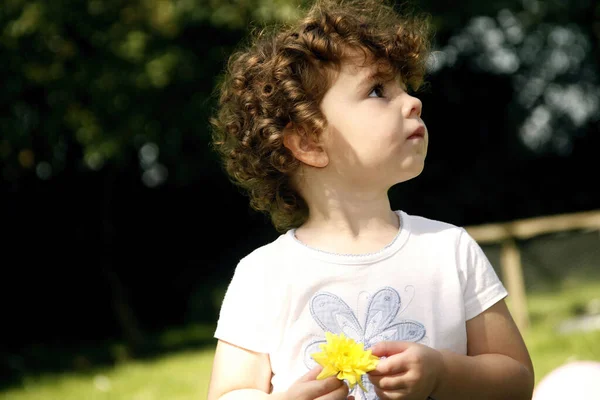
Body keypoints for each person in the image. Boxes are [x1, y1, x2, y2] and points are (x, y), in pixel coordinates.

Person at [207, 0, 534, 399]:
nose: (413, 101)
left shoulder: (449, 250)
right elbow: (230, 392)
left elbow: (516, 379)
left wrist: (442, 372)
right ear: (308, 141)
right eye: (378, 90)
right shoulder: (262, 275)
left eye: (404, 87)